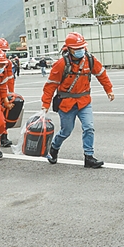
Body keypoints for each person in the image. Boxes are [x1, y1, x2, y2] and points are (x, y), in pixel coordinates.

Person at [41, 32, 114, 168]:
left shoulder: (90, 59)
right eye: (77, 48)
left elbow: (101, 74)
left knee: (89, 127)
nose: (81, 50)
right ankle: (54, 148)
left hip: (84, 102)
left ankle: (89, 157)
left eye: (82, 47)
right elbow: (50, 86)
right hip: (66, 104)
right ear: (69, 49)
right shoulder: (61, 64)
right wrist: (45, 104)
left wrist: (108, 90)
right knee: (66, 131)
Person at [0, 38, 15, 147]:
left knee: (2, 115)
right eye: (2, 50)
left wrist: (11, 93)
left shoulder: (7, 63)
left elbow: (10, 78)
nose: (3, 53)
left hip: (0, 92)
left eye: (5, 51)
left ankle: (3, 137)